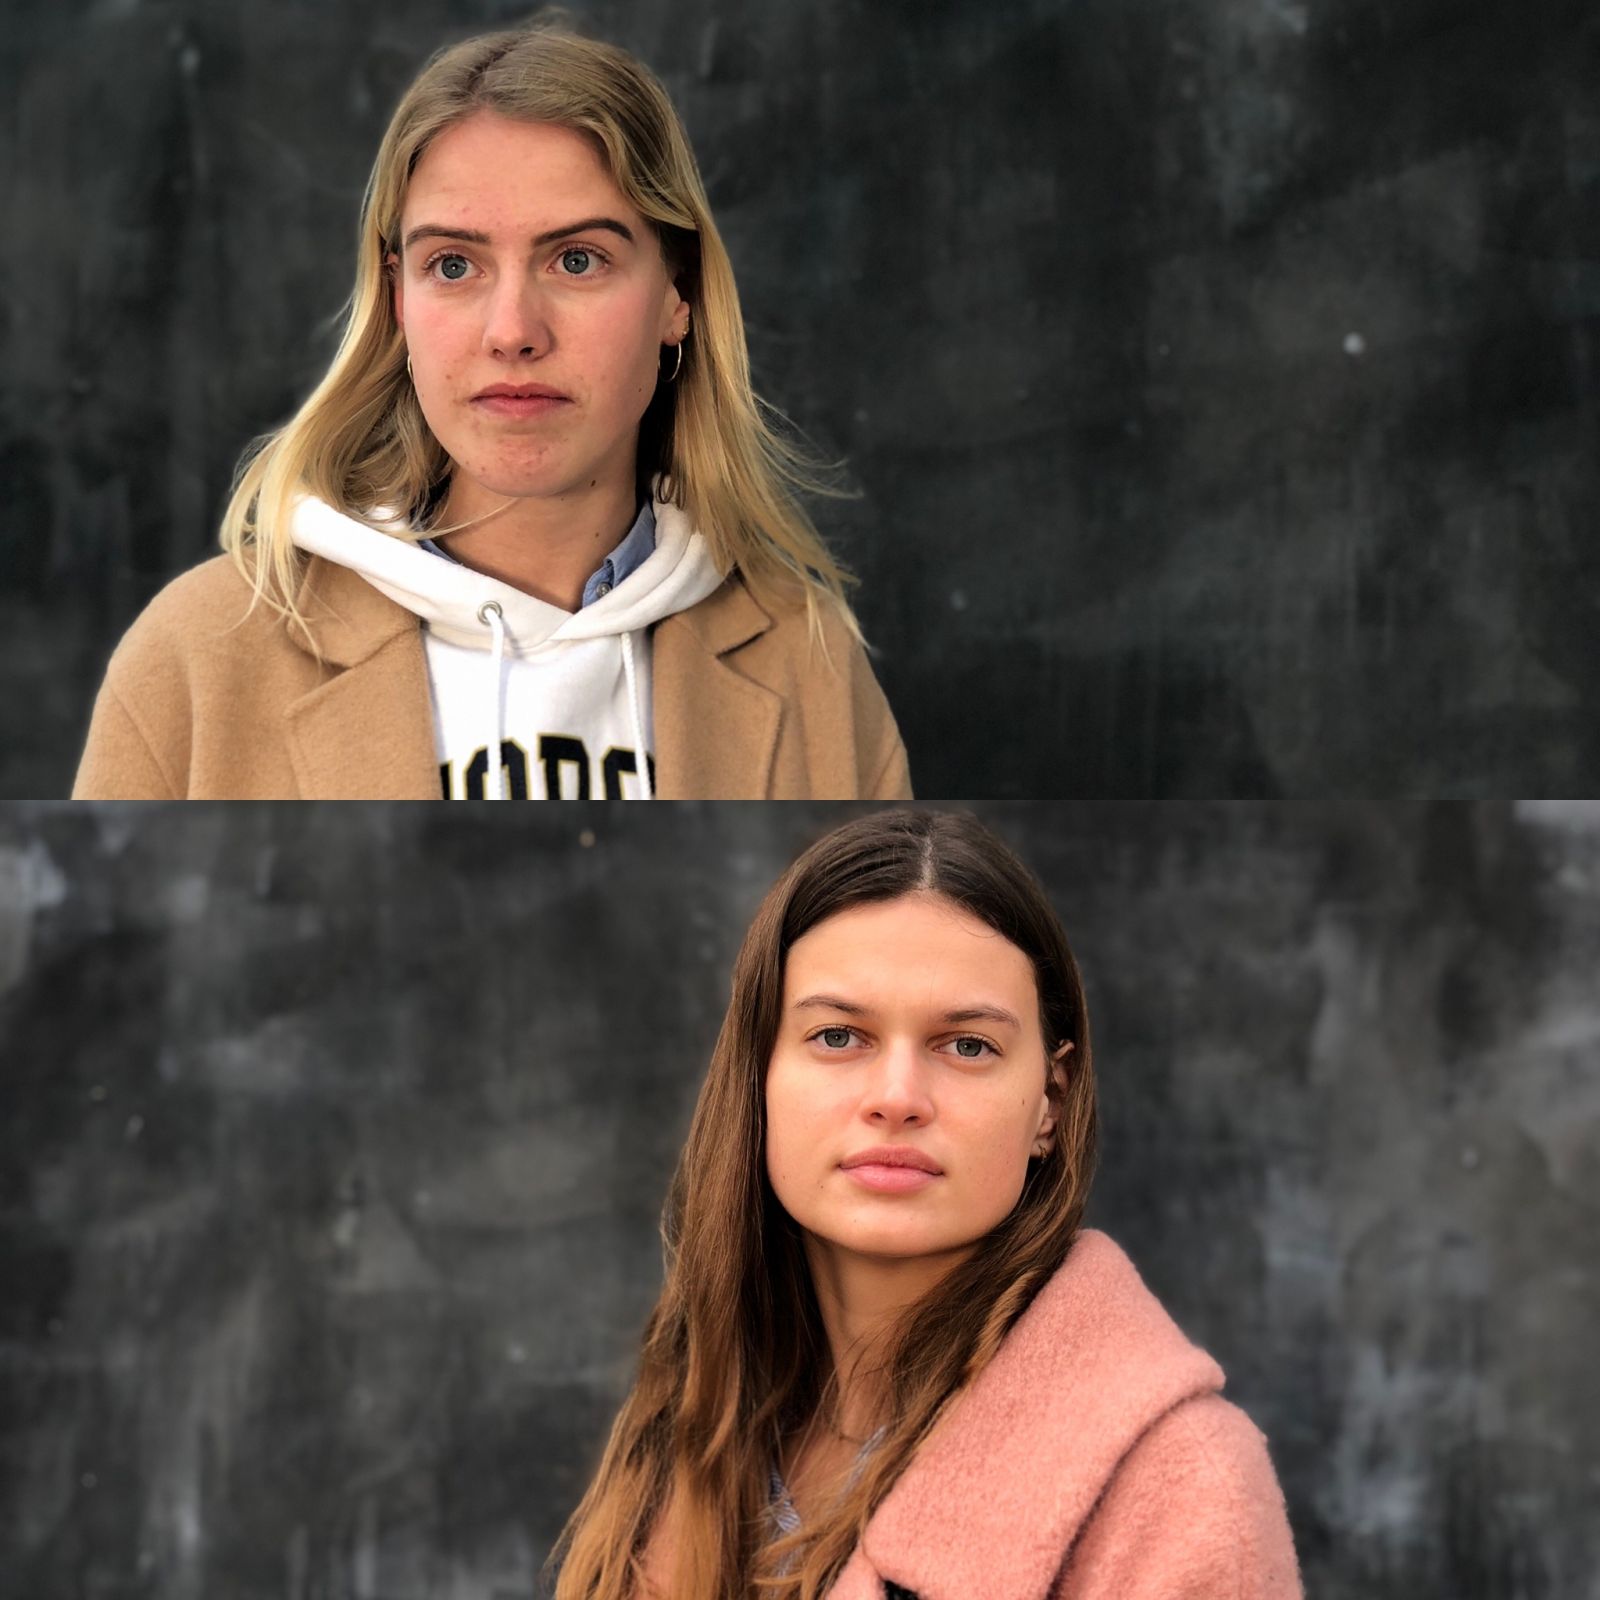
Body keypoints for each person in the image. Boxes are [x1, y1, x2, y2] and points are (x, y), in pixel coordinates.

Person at [72, 17, 909, 800]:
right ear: (397, 300)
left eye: (577, 260)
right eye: (454, 265)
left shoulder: (810, 662)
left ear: (677, 294)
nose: (513, 332)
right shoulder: (196, 655)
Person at [552, 809, 1302, 1599]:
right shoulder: (695, 1422)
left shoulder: (1188, 1489)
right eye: (840, 1036)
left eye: (967, 1046)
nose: (897, 1098)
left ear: (1051, 1099)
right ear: (757, 1075)